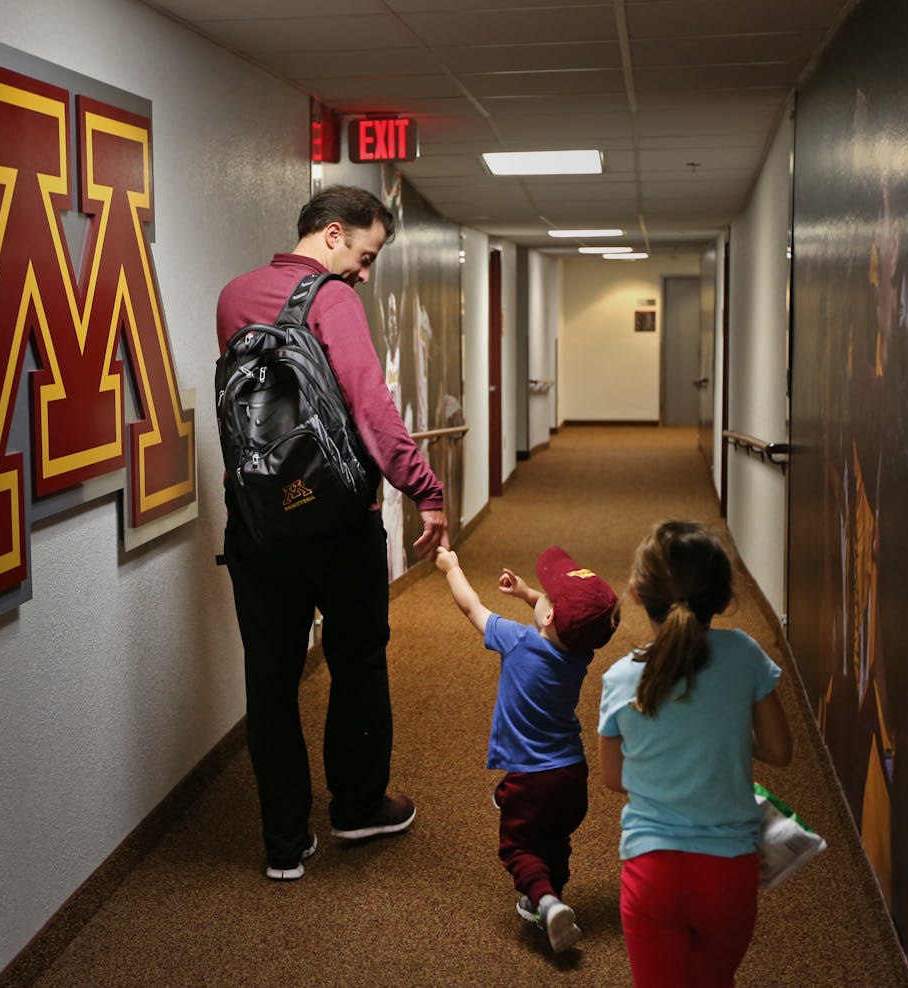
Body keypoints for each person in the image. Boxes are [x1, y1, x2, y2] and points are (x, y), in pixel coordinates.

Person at [216, 185, 449, 881]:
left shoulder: (233, 296)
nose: (365, 273)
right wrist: (425, 490)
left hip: (257, 521)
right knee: (356, 660)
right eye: (366, 254)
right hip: (339, 521)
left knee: (270, 677)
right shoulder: (332, 299)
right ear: (333, 234)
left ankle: (284, 844)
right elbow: (370, 408)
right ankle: (357, 805)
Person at [597, 521, 793, 987]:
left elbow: (613, 777)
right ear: (724, 599)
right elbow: (779, 750)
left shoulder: (621, 679)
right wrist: (722, 737)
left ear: (637, 594)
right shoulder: (746, 655)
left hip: (653, 873)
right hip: (729, 877)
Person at [435, 544, 620, 953]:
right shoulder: (581, 653)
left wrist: (451, 567)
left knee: (520, 845)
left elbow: (471, 608)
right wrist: (527, 594)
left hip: (532, 777)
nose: (542, 595)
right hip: (572, 774)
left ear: (550, 616)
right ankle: (551, 893)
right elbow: (562, 620)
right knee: (555, 836)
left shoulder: (516, 640)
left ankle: (545, 900)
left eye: (546, 596)